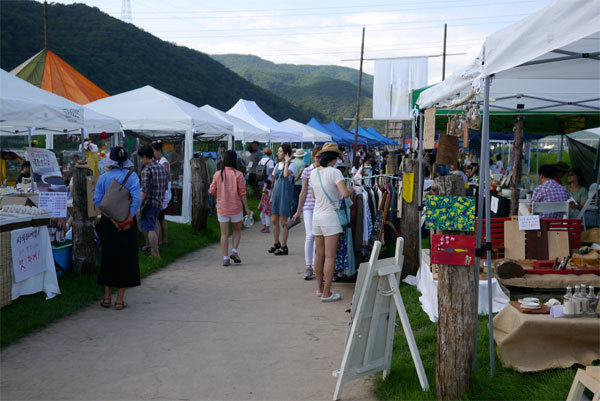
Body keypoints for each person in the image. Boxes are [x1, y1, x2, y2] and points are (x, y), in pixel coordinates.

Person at [93, 147, 141, 310]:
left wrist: (111, 218)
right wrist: (129, 218)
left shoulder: (104, 178)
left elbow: (98, 200)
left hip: (108, 222)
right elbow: (136, 200)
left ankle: (107, 298)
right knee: (126, 260)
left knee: (108, 258)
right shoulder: (132, 176)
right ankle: (119, 301)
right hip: (127, 222)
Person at [309, 143, 351, 302]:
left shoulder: (313, 173)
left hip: (316, 217)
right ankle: (327, 293)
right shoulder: (335, 173)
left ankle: (319, 288)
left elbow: (313, 195)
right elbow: (345, 194)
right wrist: (349, 190)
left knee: (319, 255)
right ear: (335, 157)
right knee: (330, 257)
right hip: (330, 218)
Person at [209, 150, 252, 266]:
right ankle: (234, 251)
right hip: (236, 208)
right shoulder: (239, 174)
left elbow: (212, 191)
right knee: (237, 231)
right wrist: (247, 208)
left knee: (224, 234)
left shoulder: (218, 174)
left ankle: (225, 258)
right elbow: (242, 193)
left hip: (222, 208)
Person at [292, 146, 322, 280]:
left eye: (321, 156)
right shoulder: (307, 171)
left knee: (318, 237)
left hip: (321, 207)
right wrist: (298, 210)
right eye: (317, 156)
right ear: (313, 156)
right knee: (310, 235)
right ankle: (308, 266)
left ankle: (316, 266)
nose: (319, 159)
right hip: (309, 207)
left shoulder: (325, 171)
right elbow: (303, 192)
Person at [139, 144, 168, 258]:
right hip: (159, 202)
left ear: (145, 157)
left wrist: (138, 205)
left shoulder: (147, 170)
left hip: (149, 203)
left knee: (150, 228)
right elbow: (165, 186)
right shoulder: (162, 168)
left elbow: (144, 190)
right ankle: (155, 249)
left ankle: (155, 253)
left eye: (141, 158)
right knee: (155, 224)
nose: (141, 160)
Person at [268, 144, 298, 256]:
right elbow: (275, 181)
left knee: (283, 221)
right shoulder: (276, 165)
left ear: (286, 153)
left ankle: (284, 246)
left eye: (280, 151)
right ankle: (276, 243)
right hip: (276, 193)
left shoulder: (292, 165)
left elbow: (285, 175)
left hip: (285, 194)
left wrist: (286, 162)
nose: (278, 153)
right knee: (274, 220)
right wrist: (271, 196)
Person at [152, 140, 171, 246]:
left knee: (158, 218)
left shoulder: (163, 162)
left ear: (159, 151)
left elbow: (165, 177)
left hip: (163, 193)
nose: (153, 154)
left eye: (154, 151)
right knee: (161, 218)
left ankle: (160, 240)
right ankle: (164, 239)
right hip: (162, 192)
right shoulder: (160, 162)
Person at [291, 148, 306, 216]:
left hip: (291, 182)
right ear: (302, 155)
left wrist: (292, 180)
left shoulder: (292, 161)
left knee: (292, 198)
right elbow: (300, 173)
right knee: (297, 199)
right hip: (299, 183)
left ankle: (290, 212)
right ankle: (294, 213)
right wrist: (295, 180)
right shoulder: (302, 163)